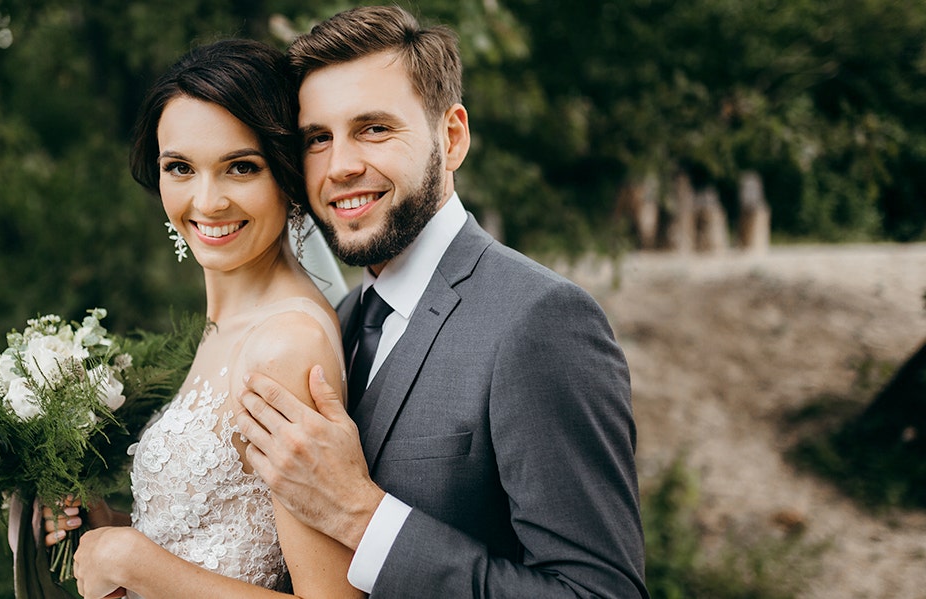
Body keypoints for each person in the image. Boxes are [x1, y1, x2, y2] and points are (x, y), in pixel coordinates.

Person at [235, 6, 649, 598]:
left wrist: (360, 513)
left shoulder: (541, 321)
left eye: (374, 128)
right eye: (318, 139)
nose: (341, 166)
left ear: (450, 138)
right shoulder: (338, 324)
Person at [45, 39, 363, 599]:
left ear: (287, 175)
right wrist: (107, 529)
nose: (207, 201)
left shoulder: (284, 347)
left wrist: (133, 560)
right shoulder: (231, 321)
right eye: (180, 168)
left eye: (240, 167)